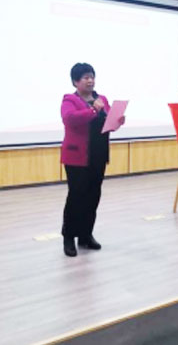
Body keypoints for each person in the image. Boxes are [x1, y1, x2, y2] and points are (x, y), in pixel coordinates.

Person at [60, 63, 124, 257]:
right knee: (76, 196)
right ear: (75, 81)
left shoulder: (101, 99)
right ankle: (69, 237)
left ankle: (85, 235)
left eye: (92, 77)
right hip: (77, 157)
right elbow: (69, 119)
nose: (90, 80)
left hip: (98, 155)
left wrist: (118, 121)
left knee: (93, 196)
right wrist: (93, 111)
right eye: (86, 77)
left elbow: (109, 123)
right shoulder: (69, 100)